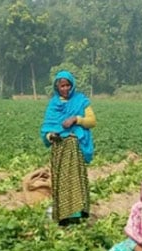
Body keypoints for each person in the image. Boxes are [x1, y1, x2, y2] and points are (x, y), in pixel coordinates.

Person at [40, 70, 95, 225]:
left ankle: (77, 214)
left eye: (67, 85)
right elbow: (46, 129)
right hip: (59, 149)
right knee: (61, 181)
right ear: (57, 87)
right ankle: (63, 216)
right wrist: (51, 136)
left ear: (72, 86)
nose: (65, 88)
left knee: (75, 180)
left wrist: (76, 119)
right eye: (62, 86)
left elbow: (92, 121)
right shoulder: (53, 104)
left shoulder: (80, 101)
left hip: (74, 148)